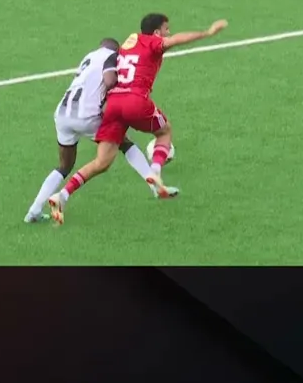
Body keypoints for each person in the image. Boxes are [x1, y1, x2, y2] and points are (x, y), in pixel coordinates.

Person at [48, 14, 227, 225]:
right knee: (164, 131)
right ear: (157, 32)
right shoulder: (152, 42)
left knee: (102, 162)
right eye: (166, 29)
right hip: (135, 100)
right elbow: (175, 40)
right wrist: (207, 32)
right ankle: (156, 173)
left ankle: (62, 195)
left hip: (114, 104)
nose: (168, 33)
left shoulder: (128, 44)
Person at [25, 38, 178, 224]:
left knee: (64, 165)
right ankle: (154, 183)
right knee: (124, 144)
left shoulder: (88, 57)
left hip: (63, 114)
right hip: (88, 115)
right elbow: (110, 81)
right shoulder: (114, 58)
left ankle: (34, 210)